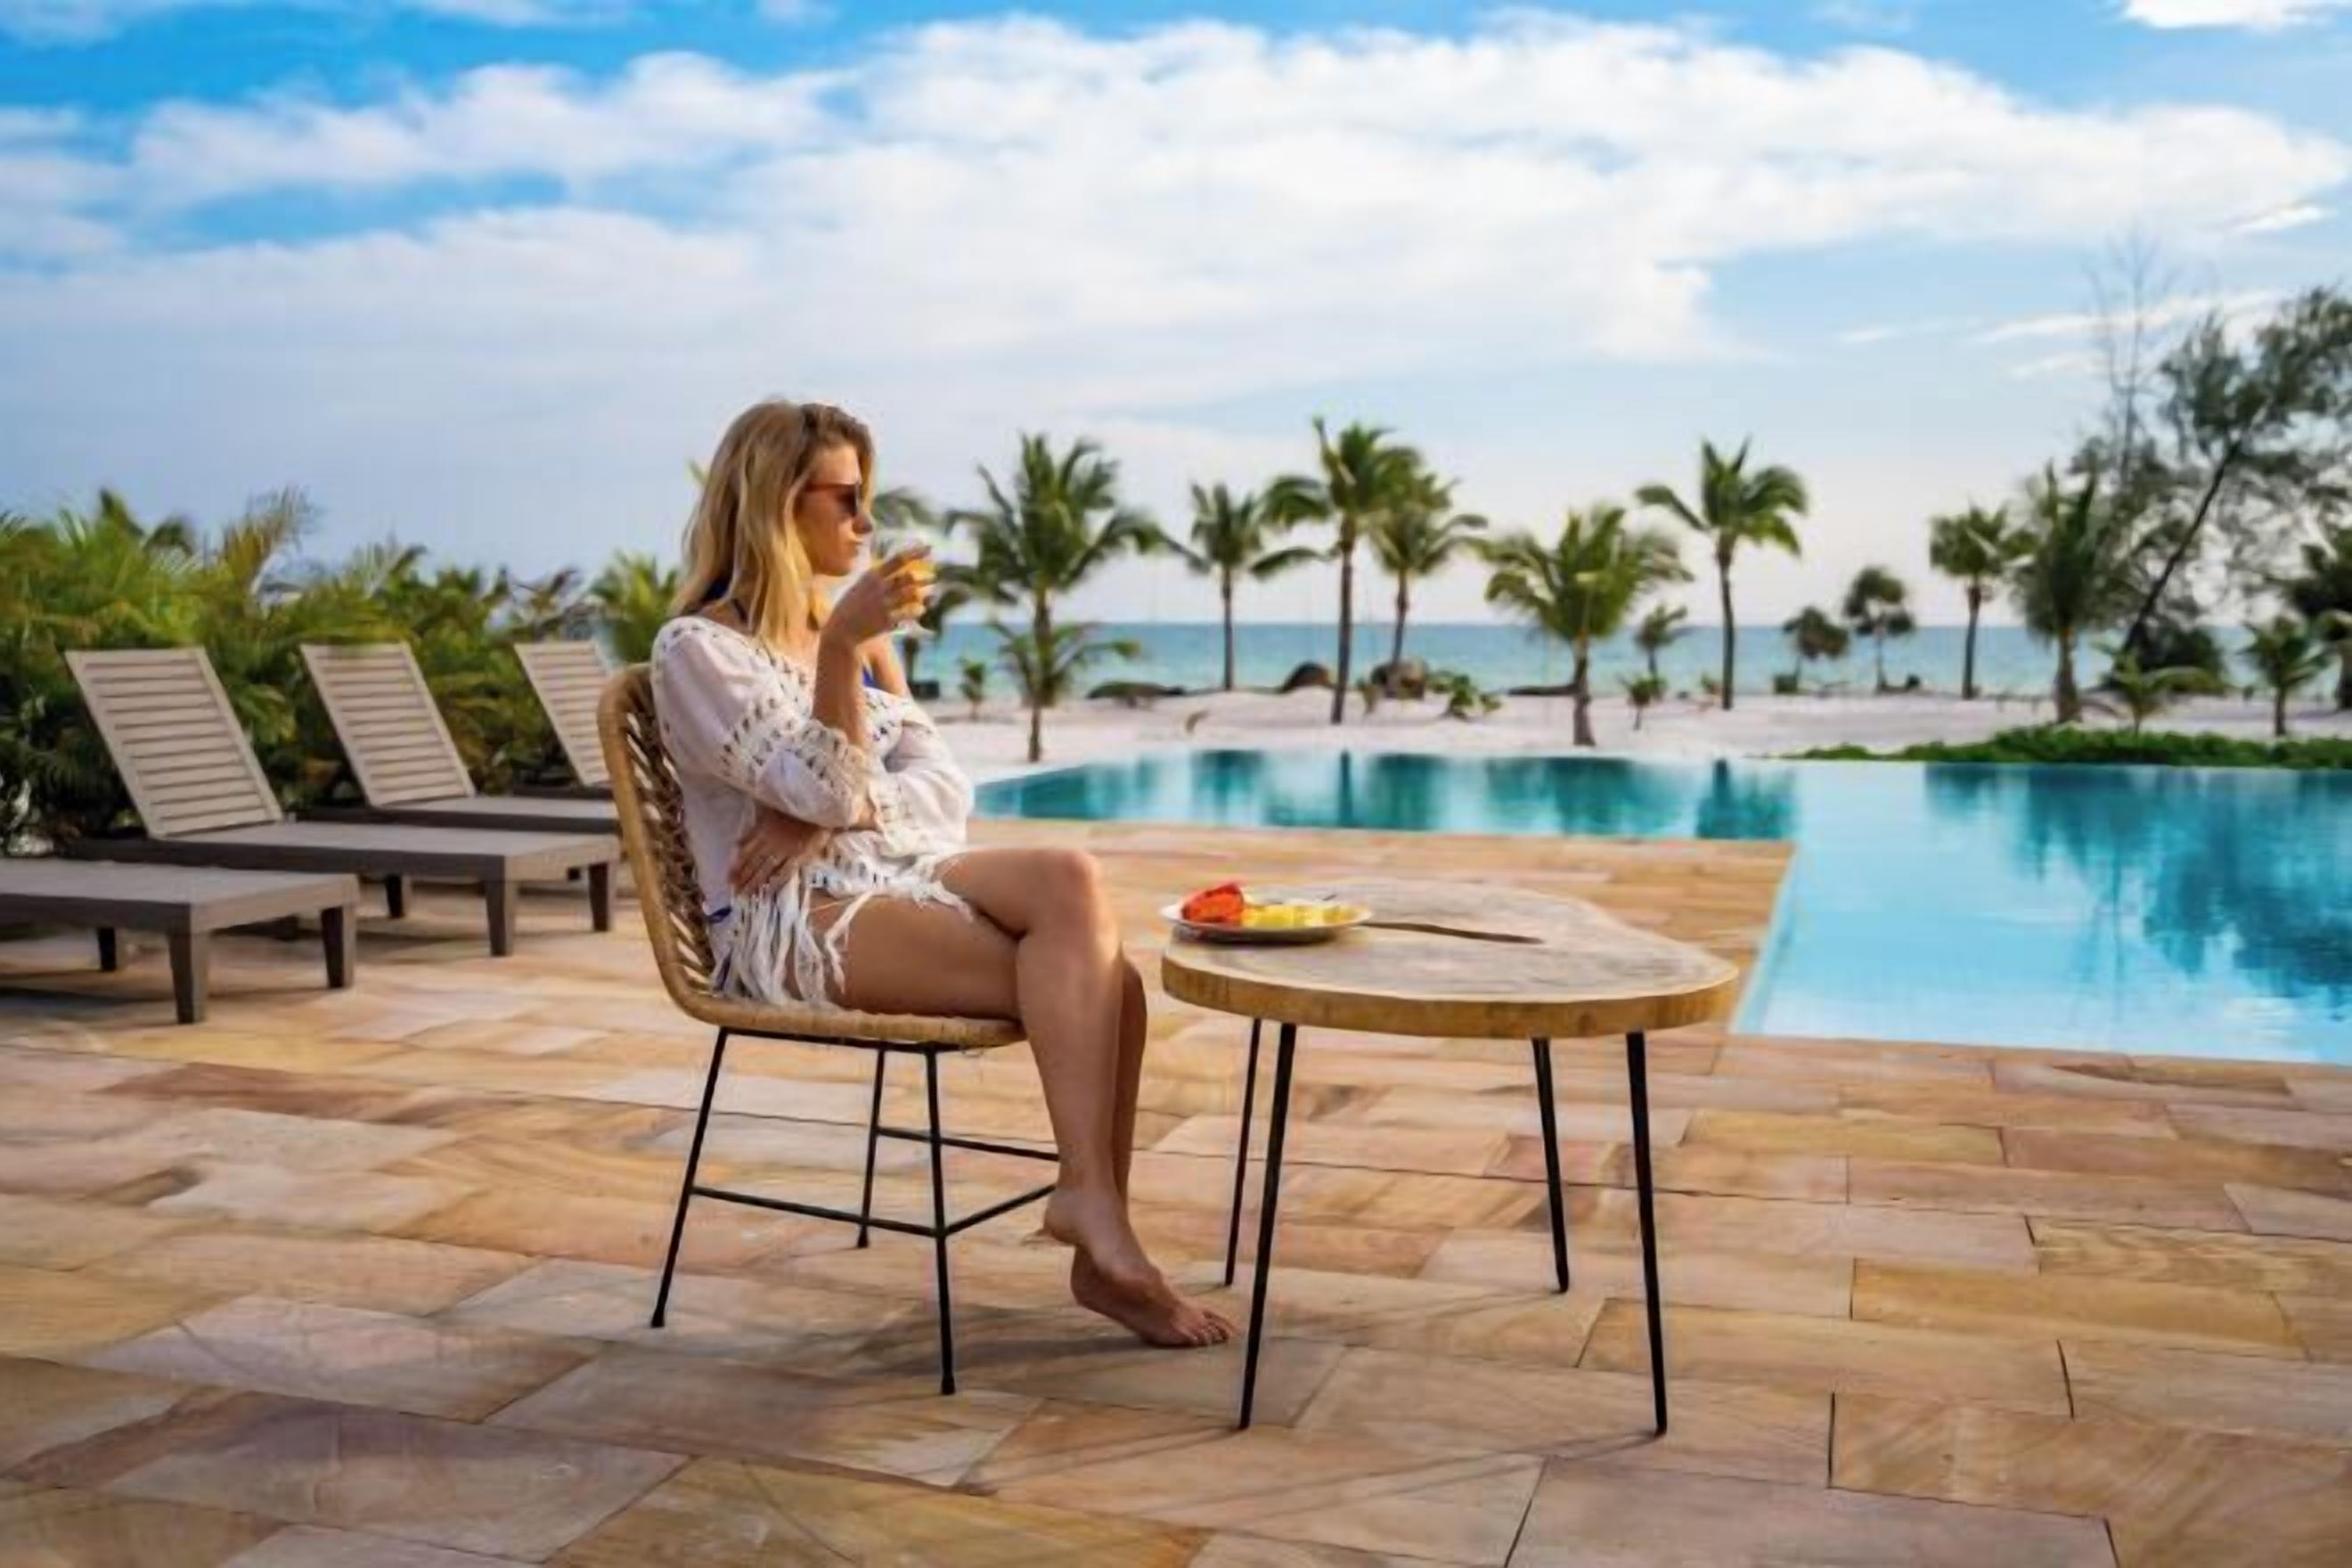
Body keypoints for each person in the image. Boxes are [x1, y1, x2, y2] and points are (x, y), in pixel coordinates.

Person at [650, 398, 1232, 1349]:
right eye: (844, 499)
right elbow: (829, 786)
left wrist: (818, 807)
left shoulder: (867, 642)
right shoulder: (700, 650)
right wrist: (836, 666)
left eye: (865, 498)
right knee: (1107, 986)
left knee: (1069, 876)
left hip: (896, 870)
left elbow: (942, 788)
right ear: (775, 504)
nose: (864, 525)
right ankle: (1106, 1243)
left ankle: (1089, 1200)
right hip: (792, 917)